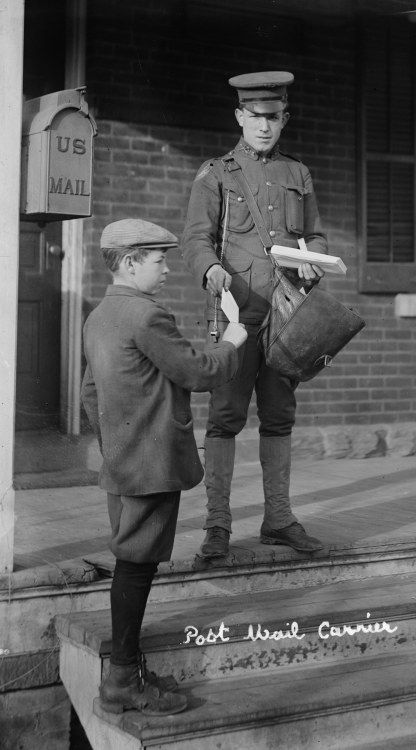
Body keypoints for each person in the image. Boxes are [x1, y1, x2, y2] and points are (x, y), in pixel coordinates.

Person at [81, 218, 246, 715]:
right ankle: (122, 683)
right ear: (130, 263)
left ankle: (127, 672)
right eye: (159, 259)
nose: (168, 269)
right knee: (136, 567)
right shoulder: (146, 316)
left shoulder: (99, 316)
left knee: (135, 562)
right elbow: (197, 372)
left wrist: (113, 445)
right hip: (151, 463)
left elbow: (91, 394)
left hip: (124, 460)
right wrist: (232, 341)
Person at [182, 71, 327, 560]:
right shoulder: (217, 172)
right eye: (255, 117)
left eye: (274, 117)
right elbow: (196, 239)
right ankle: (218, 526)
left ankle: (279, 518)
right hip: (237, 319)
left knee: (280, 418)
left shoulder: (298, 174)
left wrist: (315, 261)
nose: (265, 126)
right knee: (224, 419)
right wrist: (211, 270)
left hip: (287, 316)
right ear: (239, 116)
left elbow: (316, 236)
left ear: (284, 119)